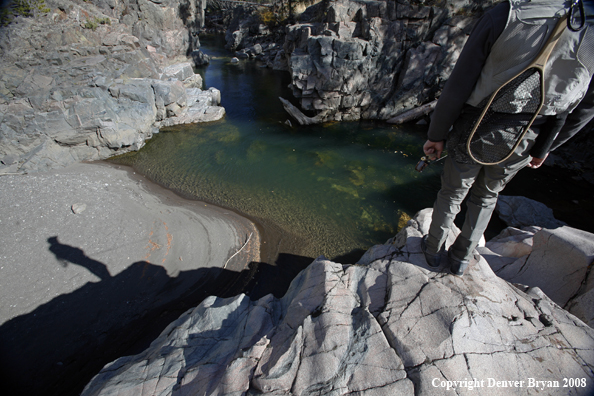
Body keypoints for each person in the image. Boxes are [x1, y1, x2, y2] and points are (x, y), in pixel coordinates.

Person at [421, 0, 594, 275]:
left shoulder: (508, 13)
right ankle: (461, 258)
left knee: (453, 192)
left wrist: (437, 134)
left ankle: (432, 251)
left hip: (475, 127)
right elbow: (584, 109)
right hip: (530, 134)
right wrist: (545, 148)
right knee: (487, 195)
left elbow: (459, 83)